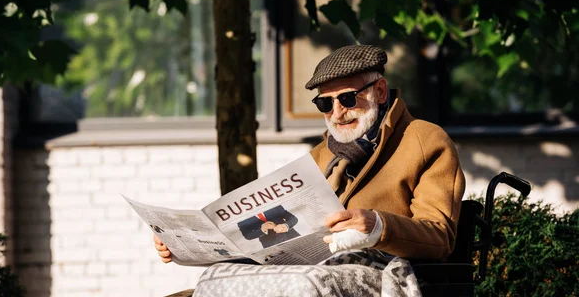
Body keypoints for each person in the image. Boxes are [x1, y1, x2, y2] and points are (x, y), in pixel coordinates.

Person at [153, 44, 465, 263]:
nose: (338, 112)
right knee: (218, 282)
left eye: (347, 98)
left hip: (390, 280)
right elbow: (269, 227)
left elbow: (439, 237)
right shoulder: (320, 155)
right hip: (315, 274)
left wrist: (378, 225)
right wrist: (188, 245)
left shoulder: (425, 140)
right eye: (325, 104)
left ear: (379, 92)